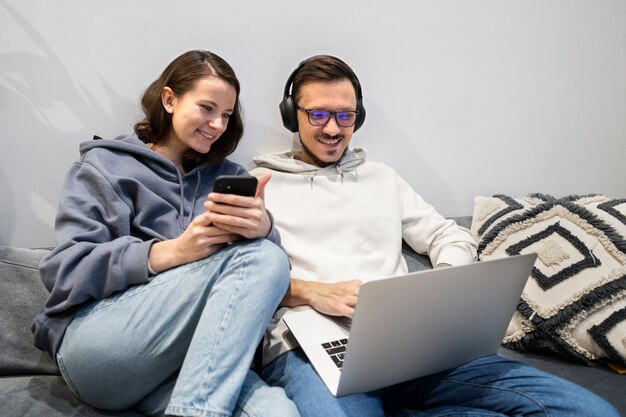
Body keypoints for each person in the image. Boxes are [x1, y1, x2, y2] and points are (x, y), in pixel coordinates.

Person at [250, 54, 620, 417]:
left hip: (411, 346)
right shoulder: (261, 185)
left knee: (588, 409)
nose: (332, 129)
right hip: (309, 348)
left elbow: (450, 235)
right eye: (318, 114)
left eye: (344, 115)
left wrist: (439, 285)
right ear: (291, 114)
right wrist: (313, 293)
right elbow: (235, 284)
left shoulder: (381, 177)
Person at [32, 50, 300, 417]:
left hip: (183, 359)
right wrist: (173, 252)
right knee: (263, 258)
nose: (218, 124)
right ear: (170, 99)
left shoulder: (227, 176)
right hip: (98, 345)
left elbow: (264, 280)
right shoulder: (106, 166)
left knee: (278, 412)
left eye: (225, 114)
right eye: (207, 108)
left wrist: (263, 229)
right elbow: (64, 269)